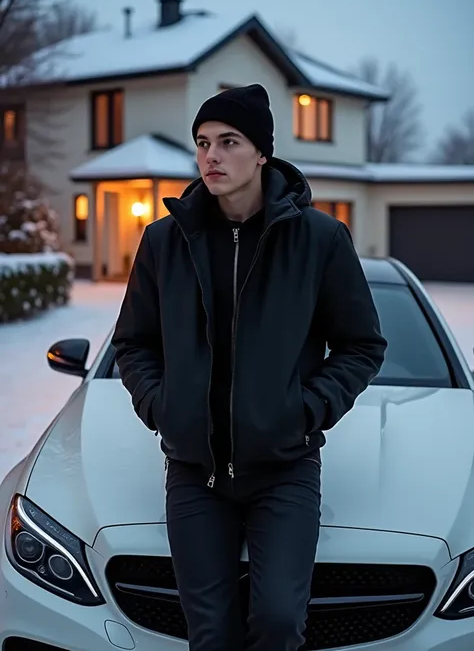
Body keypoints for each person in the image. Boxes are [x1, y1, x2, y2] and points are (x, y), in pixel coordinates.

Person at [111, 83, 387, 651]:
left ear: (262, 152)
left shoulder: (320, 240)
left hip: (283, 467)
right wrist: (164, 408)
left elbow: (362, 344)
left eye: (228, 141)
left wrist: (304, 411)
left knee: (280, 622)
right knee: (209, 631)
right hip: (195, 471)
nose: (210, 156)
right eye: (202, 142)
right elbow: (133, 343)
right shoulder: (164, 241)